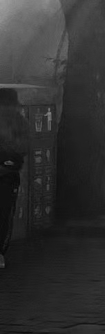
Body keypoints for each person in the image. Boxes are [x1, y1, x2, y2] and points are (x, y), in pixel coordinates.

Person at [0, 88, 29, 269]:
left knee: (4, 213)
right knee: (4, 214)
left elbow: (22, 147)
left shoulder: (19, 122)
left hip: (8, 173)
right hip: (9, 173)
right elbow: (23, 148)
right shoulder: (21, 122)